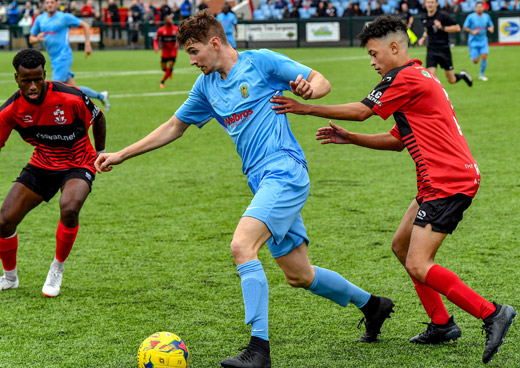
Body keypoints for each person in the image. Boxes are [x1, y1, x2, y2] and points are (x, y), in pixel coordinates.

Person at [95, 9, 394, 368]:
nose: (190, 60)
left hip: (284, 172)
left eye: (193, 51)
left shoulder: (261, 63)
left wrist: (308, 89)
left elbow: (320, 80)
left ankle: (258, 350)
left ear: (215, 43)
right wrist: (122, 154)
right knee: (299, 274)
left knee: (242, 245)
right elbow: (175, 126)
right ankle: (373, 305)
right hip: (261, 181)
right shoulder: (206, 86)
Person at [270, 15, 517, 365]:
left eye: (374, 54)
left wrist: (305, 107)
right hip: (439, 179)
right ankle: (442, 323)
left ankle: (492, 313)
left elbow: (361, 111)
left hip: (447, 181)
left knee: (419, 263)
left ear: (395, 47)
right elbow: (398, 140)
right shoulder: (418, 78)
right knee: (402, 246)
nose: (372, 62)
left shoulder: (401, 78)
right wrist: (350, 138)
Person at [0, 49, 106, 297]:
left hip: (79, 161)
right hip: (42, 163)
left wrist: (101, 152)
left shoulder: (70, 97)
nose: (33, 86)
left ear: (44, 75)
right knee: (4, 221)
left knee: (69, 208)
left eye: (38, 79)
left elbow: (98, 118)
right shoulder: (10, 110)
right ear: (17, 78)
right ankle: (10, 277)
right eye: (27, 81)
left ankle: (56, 268)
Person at [30, 0, 111, 111]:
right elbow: (31, 39)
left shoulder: (64, 17)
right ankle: (101, 96)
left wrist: (87, 44)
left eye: (52, 2)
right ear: (45, 4)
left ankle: (55, 117)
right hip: (53, 59)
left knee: (54, 89)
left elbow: (85, 26)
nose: (49, 4)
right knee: (74, 90)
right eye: (47, 2)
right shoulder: (40, 19)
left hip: (64, 57)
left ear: (57, 4)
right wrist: (37, 39)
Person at [418, 0, 472, 86]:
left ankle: (463, 75)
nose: (430, 4)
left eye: (432, 2)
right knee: (429, 78)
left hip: (444, 49)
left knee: (451, 80)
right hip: (431, 49)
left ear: (437, 4)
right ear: (425, 4)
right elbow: (428, 30)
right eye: (428, 2)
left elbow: (457, 28)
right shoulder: (424, 17)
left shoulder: (443, 16)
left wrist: (442, 27)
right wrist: (423, 38)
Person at [463, 2, 494, 81]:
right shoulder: (471, 17)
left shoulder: (487, 16)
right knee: (475, 61)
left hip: (483, 40)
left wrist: (491, 28)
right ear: (475, 8)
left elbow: (491, 25)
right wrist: (472, 32)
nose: (479, 8)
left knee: (484, 56)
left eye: (481, 7)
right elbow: (465, 27)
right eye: (478, 7)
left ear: (483, 8)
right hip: (473, 41)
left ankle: (481, 75)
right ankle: (473, 55)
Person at [154, 14, 178, 88]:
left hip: (173, 51)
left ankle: (162, 82)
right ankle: (169, 72)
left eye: (172, 19)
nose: (171, 21)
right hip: (165, 51)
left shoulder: (176, 29)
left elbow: (180, 38)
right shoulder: (161, 30)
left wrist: (178, 43)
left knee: (170, 65)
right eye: (169, 19)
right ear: (166, 21)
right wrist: (156, 47)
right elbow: (156, 40)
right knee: (164, 68)